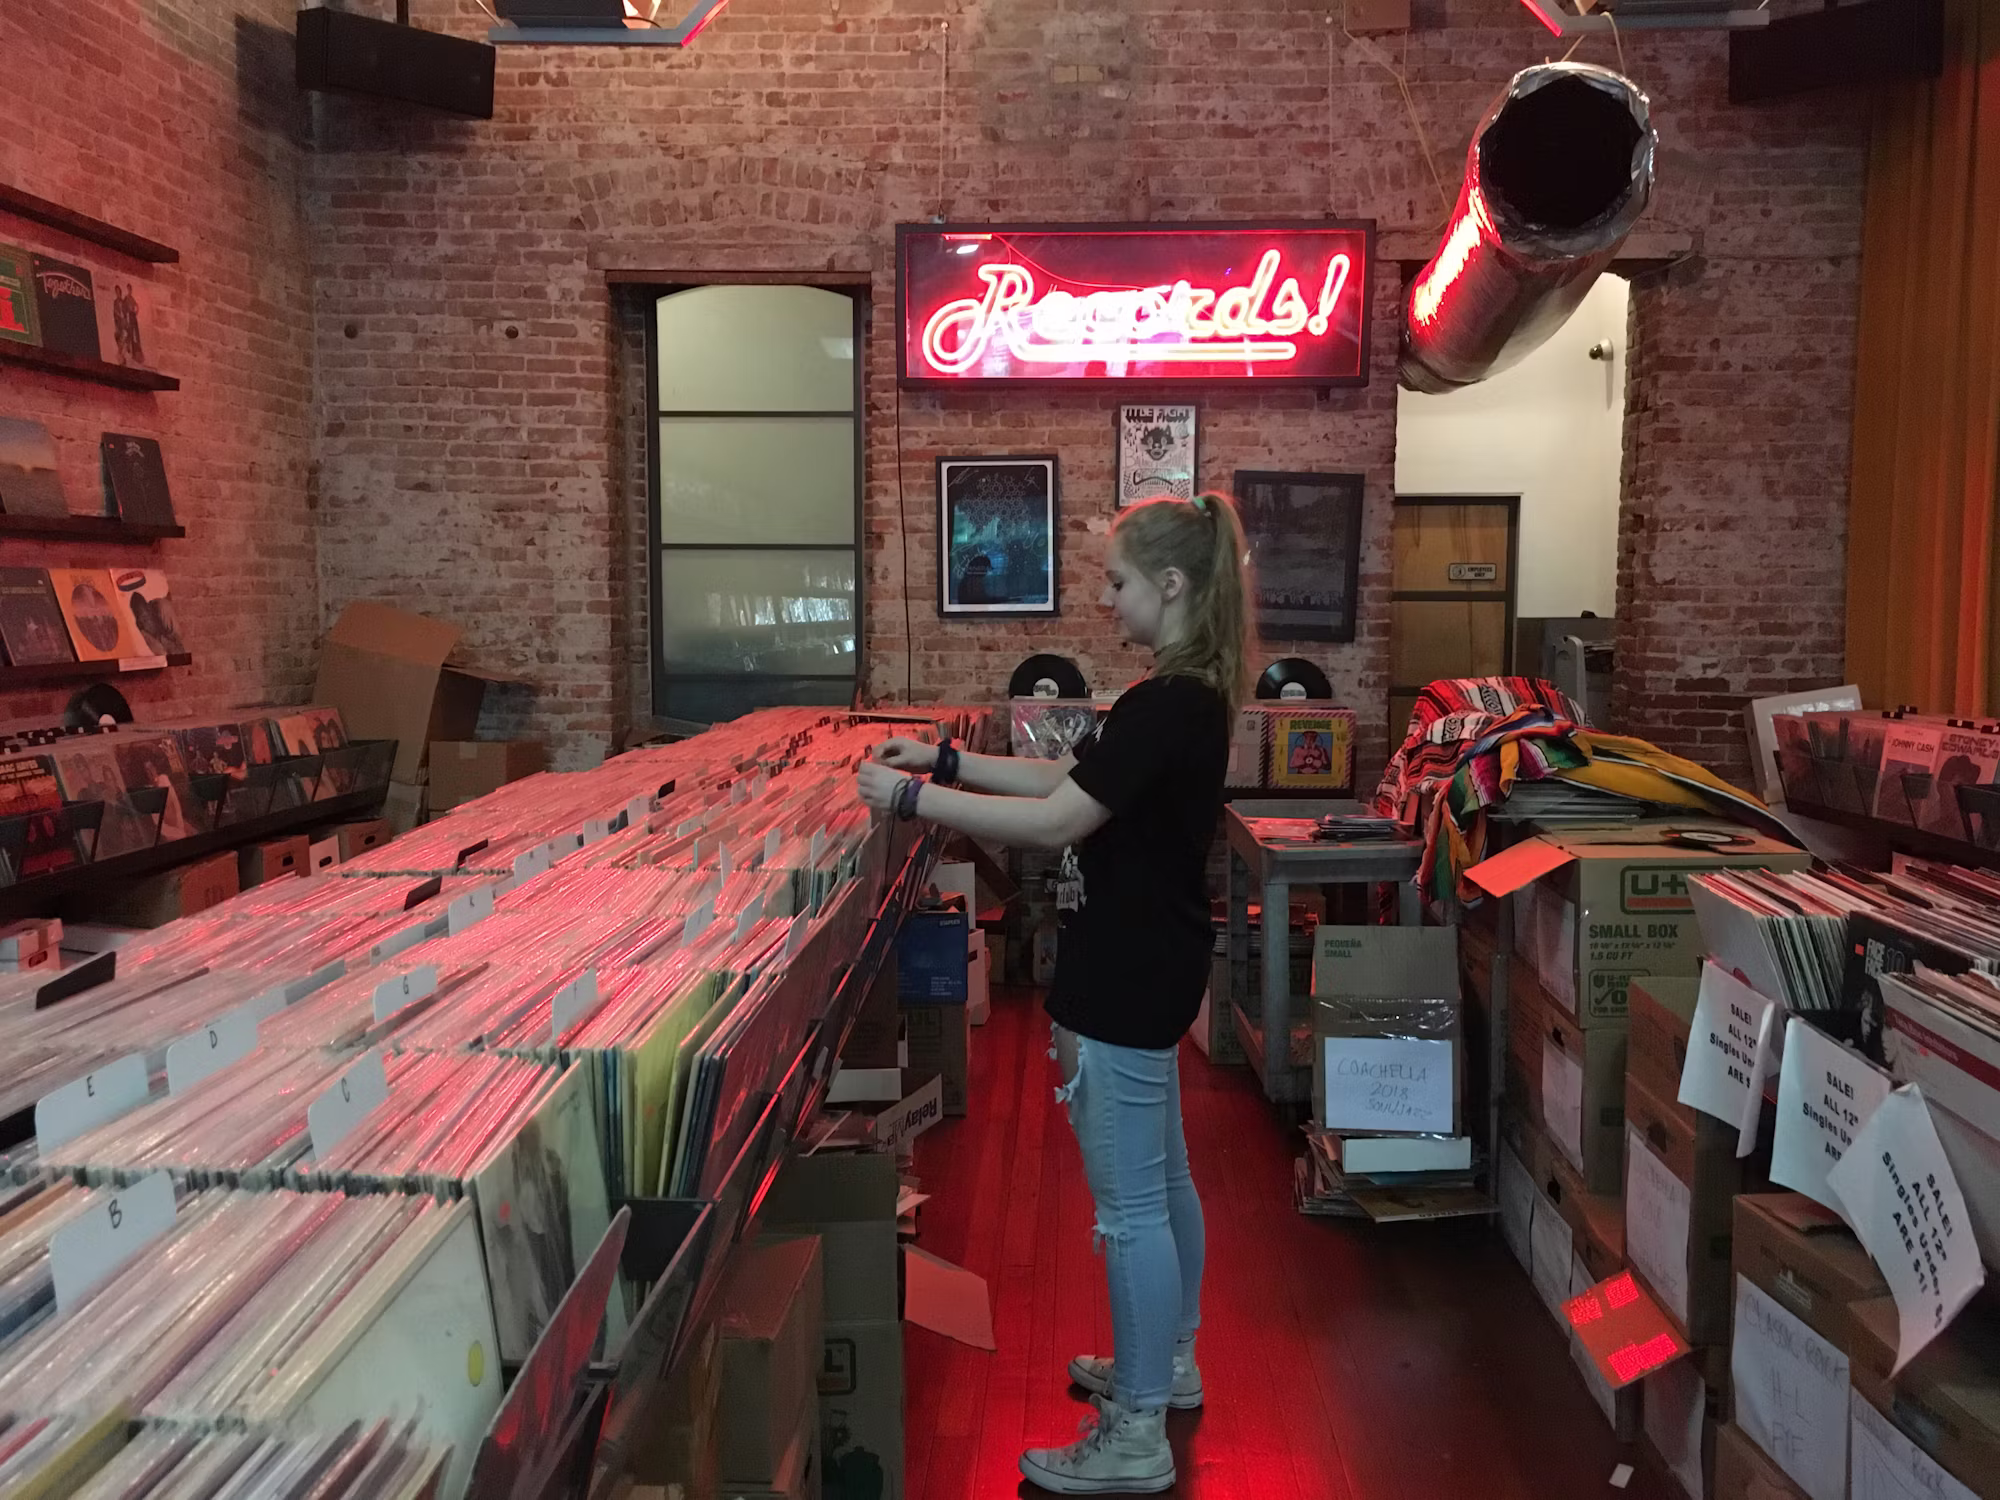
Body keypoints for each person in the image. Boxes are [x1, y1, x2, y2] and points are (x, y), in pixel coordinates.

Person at [857, 491, 1254, 1495]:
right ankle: (1166, 1364)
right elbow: (1061, 783)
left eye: (1118, 583)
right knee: (1164, 1184)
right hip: (1154, 961)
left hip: (1124, 972)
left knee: (1130, 1211)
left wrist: (910, 799)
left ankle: (1136, 1433)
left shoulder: (1166, 705)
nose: (1106, 601)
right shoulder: (1181, 696)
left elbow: (1053, 825)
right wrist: (944, 759)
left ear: (1171, 585)